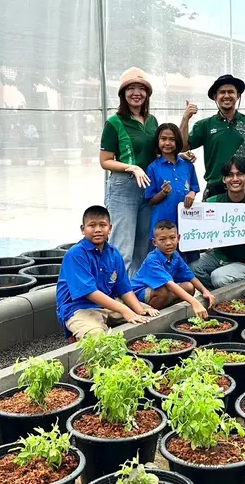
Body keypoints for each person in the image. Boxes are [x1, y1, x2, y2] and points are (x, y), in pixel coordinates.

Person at [56, 205, 159, 340]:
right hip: (79, 308)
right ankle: (77, 339)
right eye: (92, 225)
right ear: (83, 229)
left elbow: (124, 289)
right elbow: (89, 292)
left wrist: (139, 310)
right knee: (96, 336)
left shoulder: (114, 253)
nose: (98, 230)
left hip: (109, 303)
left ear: (110, 228)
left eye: (102, 225)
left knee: (149, 315)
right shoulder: (75, 254)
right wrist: (125, 310)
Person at [99, 67, 159, 276]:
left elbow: (157, 153)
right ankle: (117, 291)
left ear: (147, 93)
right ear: (123, 93)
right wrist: (131, 167)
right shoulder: (114, 122)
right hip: (123, 188)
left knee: (143, 247)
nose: (136, 93)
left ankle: (136, 290)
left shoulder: (152, 121)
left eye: (141, 88)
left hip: (148, 187)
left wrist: (180, 156)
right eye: (131, 88)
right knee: (122, 248)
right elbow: (105, 161)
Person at [180, 74, 245, 199]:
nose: (226, 96)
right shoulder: (205, 125)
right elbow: (183, 146)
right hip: (215, 187)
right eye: (222, 92)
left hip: (243, 187)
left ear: (238, 96)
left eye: (231, 92)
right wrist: (185, 118)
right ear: (215, 97)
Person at [191, 157, 245, 289]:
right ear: (224, 179)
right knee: (191, 267)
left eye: (240, 174)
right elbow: (199, 229)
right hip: (218, 255)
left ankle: (240, 284)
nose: (235, 179)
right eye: (230, 175)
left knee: (218, 278)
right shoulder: (212, 203)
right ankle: (217, 292)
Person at [131, 220, 217, 316]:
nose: (168, 243)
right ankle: (152, 314)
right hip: (139, 294)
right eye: (162, 239)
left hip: (162, 288)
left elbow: (189, 275)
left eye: (172, 238)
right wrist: (195, 302)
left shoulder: (175, 255)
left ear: (178, 238)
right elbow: (169, 284)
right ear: (155, 242)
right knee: (163, 292)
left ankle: (168, 311)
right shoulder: (152, 259)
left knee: (189, 287)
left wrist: (205, 291)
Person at [145, 123, 200, 261]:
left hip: (186, 221)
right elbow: (150, 200)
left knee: (189, 261)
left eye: (172, 139)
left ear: (178, 142)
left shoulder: (188, 165)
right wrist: (163, 193)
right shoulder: (153, 168)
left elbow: (194, 187)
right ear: (158, 141)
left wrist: (192, 194)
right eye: (163, 139)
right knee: (164, 260)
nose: (167, 143)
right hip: (163, 224)